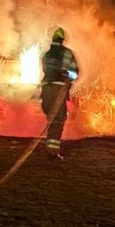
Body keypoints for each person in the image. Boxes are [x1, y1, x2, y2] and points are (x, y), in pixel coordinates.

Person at [40, 27, 80, 158]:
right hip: (59, 89)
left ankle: (50, 146)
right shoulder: (67, 53)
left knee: (50, 117)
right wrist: (69, 76)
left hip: (46, 88)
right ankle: (52, 150)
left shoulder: (46, 55)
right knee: (58, 119)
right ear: (62, 39)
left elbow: (46, 70)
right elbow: (74, 72)